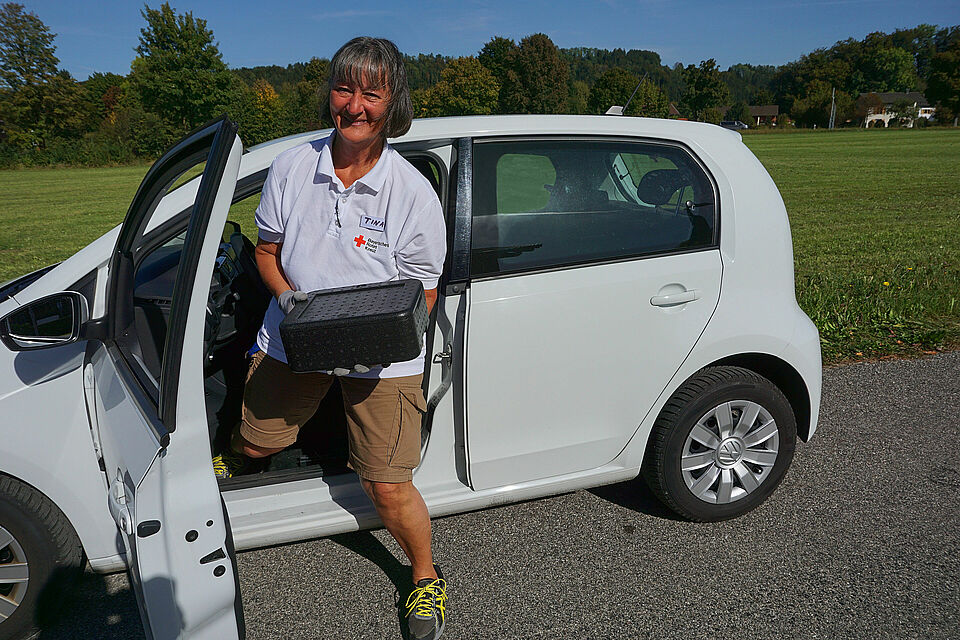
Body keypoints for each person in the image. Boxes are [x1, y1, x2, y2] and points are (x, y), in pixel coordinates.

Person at [212, 37, 447, 640]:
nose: (356, 105)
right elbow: (267, 253)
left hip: (384, 357)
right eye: (345, 88)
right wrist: (292, 303)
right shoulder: (293, 167)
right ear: (330, 96)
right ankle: (237, 454)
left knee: (387, 488)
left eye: (373, 92)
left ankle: (425, 578)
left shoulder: (412, 191)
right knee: (256, 444)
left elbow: (423, 291)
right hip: (296, 338)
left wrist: (375, 337)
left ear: (393, 104)